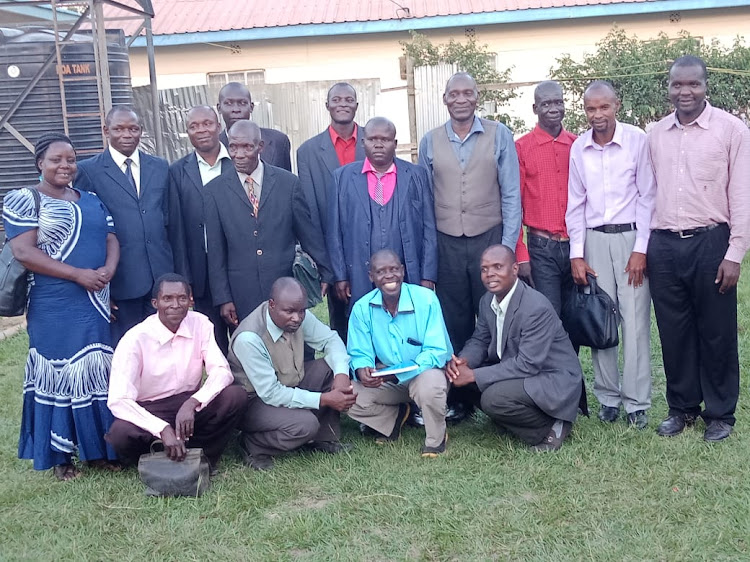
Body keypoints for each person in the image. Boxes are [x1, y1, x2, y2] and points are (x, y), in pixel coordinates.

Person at [3, 133, 120, 480]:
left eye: (70, 159)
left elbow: (111, 238)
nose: (65, 166)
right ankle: (60, 458)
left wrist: (108, 272)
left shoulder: (92, 198)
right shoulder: (23, 199)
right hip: (53, 303)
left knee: (96, 372)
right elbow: (24, 251)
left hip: (95, 300)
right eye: (56, 160)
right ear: (40, 163)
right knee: (58, 375)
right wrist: (77, 275)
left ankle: (99, 451)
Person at [648, 55, 750, 442]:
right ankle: (682, 408)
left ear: (706, 85)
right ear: (669, 87)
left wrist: (734, 253)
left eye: (693, 84)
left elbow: (742, 196)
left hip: (711, 241)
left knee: (717, 332)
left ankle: (720, 413)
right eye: (677, 84)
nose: (684, 92)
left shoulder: (731, 130)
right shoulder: (656, 133)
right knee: (674, 332)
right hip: (665, 245)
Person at [419, 71, 521, 422]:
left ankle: (500, 393)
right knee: (455, 322)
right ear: (445, 100)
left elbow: (511, 194)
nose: (461, 99)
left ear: (477, 98)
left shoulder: (499, 135)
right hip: (447, 242)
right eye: (454, 94)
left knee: (496, 317)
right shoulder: (430, 141)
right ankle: (461, 398)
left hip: (489, 239)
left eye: (468, 93)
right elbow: (425, 198)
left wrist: (507, 248)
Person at [565, 80, 655, 429]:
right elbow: (576, 203)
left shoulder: (636, 140)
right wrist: (577, 253)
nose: (597, 115)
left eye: (604, 107)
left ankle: (636, 402)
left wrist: (641, 249)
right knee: (600, 317)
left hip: (630, 237)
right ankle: (608, 398)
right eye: (591, 109)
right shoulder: (579, 148)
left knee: (634, 320)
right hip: (594, 241)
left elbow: (648, 197)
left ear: (616, 105)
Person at [447, 245, 583, 452]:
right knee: (462, 381)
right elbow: (480, 340)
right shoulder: (487, 301)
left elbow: (528, 364)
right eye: (484, 269)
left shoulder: (535, 307)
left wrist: (473, 374)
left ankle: (552, 425)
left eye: (497, 267)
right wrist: (463, 362)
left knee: (493, 398)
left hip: (552, 377)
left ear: (514, 269)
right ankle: (514, 419)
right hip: (519, 369)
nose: (489, 274)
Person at [106, 274, 247, 471]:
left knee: (235, 396)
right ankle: (159, 455)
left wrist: (193, 402)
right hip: (151, 408)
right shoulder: (135, 339)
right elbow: (118, 400)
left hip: (188, 404)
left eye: (182, 298)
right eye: (167, 299)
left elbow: (222, 371)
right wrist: (162, 429)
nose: (175, 305)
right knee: (120, 433)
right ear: (156, 303)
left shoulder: (200, 323)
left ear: (191, 301)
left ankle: (202, 454)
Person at [205, 120, 332, 330]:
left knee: (295, 349)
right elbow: (216, 251)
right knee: (250, 349)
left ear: (260, 147)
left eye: (247, 147)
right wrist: (223, 298)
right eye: (233, 147)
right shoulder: (214, 191)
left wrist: (325, 271)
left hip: (285, 285)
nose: (239, 154)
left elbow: (308, 234)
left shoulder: (288, 184)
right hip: (241, 291)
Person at [228, 277, 355, 471]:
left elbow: (331, 340)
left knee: (332, 368)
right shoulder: (249, 338)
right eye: (289, 312)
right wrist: (324, 399)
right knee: (305, 425)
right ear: (272, 305)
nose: (297, 317)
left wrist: (341, 377)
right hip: (254, 401)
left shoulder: (296, 314)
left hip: (288, 382)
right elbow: (271, 393)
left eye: (301, 311)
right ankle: (253, 444)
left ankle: (323, 438)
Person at [75, 105, 174, 345]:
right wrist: (101, 290)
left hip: (160, 278)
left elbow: (170, 222)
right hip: (120, 281)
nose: (127, 134)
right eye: (119, 129)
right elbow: (87, 232)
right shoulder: (88, 171)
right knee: (127, 350)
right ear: (106, 130)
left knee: (164, 348)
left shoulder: (160, 167)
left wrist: (176, 276)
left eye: (133, 128)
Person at [346, 250, 452, 457]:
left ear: (402, 271)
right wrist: (362, 369)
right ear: (371, 276)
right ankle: (393, 420)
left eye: (394, 269)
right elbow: (359, 352)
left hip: (426, 374)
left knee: (429, 387)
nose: (389, 276)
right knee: (348, 396)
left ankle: (436, 439)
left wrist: (397, 372)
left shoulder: (426, 300)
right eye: (381, 271)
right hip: (388, 379)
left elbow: (437, 351)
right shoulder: (361, 308)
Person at [327, 117, 437, 311]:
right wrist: (341, 275)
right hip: (359, 271)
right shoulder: (342, 177)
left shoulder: (416, 175)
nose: (378, 144)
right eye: (372, 139)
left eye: (385, 140)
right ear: (363, 142)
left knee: (409, 319)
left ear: (394, 143)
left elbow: (428, 227)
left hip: (407, 271)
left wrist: (427, 275)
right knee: (366, 321)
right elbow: (334, 231)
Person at [297, 82, 366, 340]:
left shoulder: (375, 140)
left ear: (357, 106)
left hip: (373, 246)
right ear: (327, 106)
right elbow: (311, 211)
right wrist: (324, 263)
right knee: (342, 320)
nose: (343, 104)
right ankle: (346, 373)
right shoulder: (308, 152)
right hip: (334, 249)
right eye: (336, 100)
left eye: (349, 100)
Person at [168, 105, 232, 353]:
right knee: (212, 341)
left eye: (207, 123)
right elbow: (177, 229)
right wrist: (185, 279)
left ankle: (250, 391)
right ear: (187, 132)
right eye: (194, 126)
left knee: (246, 337)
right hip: (200, 271)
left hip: (236, 267)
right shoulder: (177, 171)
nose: (201, 130)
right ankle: (222, 390)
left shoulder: (237, 163)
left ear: (219, 126)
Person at [514, 81, 577, 316]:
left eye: (558, 102)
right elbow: (514, 204)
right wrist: (521, 255)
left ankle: (571, 355)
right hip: (542, 248)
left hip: (576, 245)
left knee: (575, 316)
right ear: (535, 108)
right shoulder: (521, 148)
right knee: (548, 316)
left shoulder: (576, 144)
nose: (553, 108)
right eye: (546, 103)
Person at [216, 81, 292, 171]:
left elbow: (286, 181)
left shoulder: (278, 141)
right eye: (228, 103)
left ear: (251, 107)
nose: (236, 109)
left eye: (242, 103)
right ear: (219, 108)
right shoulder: (215, 147)